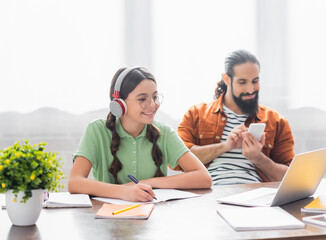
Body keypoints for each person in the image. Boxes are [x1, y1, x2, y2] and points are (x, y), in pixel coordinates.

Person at [68, 66, 212, 202]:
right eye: (142, 99)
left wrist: (145, 183)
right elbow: (75, 182)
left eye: (155, 97)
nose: (152, 105)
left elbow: (204, 178)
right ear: (119, 104)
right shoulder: (97, 131)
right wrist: (124, 192)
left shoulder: (164, 133)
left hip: (153, 217)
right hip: (109, 218)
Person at [177, 50, 294, 185]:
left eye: (255, 81)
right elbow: (179, 159)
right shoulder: (196, 114)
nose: (250, 89)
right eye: (242, 82)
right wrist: (225, 147)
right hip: (210, 194)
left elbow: (289, 177)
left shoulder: (277, 121)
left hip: (256, 196)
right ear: (227, 79)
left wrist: (258, 157)